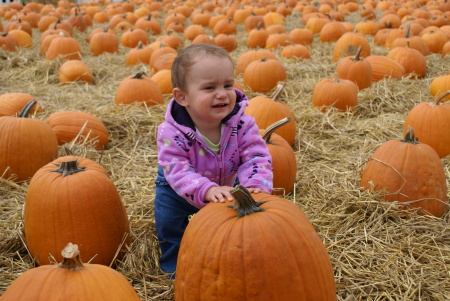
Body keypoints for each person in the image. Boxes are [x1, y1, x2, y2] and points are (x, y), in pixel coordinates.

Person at [154, 43, 273, 278]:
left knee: (235, 228)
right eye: (210, 88)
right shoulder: (171, 133)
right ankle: (175, 268)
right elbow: (177, 170)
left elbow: (256, 157)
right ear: (182, 97)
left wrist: (255, 185)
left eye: (228, 85)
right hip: (178, 190)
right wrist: (206, 189)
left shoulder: (242, 124)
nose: (222, 94)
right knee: (169, 224)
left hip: (227, 188)